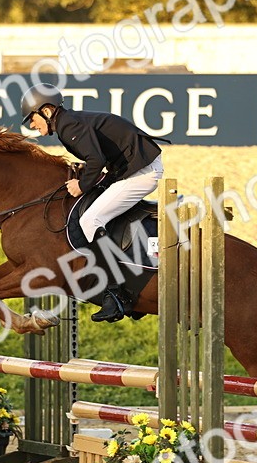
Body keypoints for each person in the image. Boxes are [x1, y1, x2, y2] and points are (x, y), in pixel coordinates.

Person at [20, 83, 167, 323]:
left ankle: (117, 292)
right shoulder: (67, 124)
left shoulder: (68, 125)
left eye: (32, 119)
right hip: (130, 168)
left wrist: (82, 185)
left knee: (91, 219)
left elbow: (96, 159)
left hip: (142, 171)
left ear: (46, 111)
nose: (32, 125)